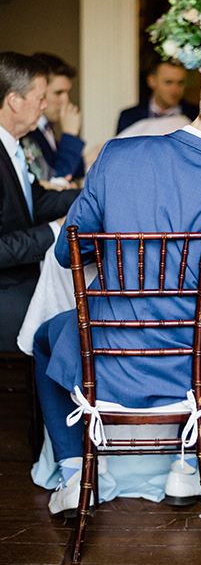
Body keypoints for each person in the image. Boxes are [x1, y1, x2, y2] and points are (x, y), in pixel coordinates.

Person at [32, 56, 201, 516]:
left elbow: (67, 252)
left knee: (45, 338)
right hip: (189, 368)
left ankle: (75, 475)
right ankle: (186, 465)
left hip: (105, 352)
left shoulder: (117, 156)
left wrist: (122, 254)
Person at [0, 52, 80, 352]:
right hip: (7, 289)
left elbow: (37, 201)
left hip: (22, 278)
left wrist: (94, 195)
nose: (45, 106)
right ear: (14, 101)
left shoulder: (12, 146)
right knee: (71, 328)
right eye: (40, 97)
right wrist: (57, 231)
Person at [24, 53, 84, 182]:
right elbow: (57, 179)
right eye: (58, 93)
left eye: (67, 92)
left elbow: (67, 169)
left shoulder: (48, 127)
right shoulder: (27, 130)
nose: (65, 100)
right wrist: (70, 135)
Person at [116, 59, 198, 135]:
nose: (175, 90)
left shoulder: (196, 115)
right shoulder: (129, 116)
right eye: (168, 82)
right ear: (151, 81)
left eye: (180, 83)